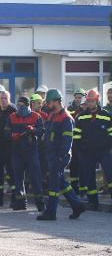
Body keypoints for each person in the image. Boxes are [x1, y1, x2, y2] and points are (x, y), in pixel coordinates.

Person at [37, 88, 86, 221]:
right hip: (51, 155)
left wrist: (60, 156)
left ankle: (51, 212)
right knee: (61, 182)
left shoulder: (66, 118)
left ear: (56, 101)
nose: (47, 105)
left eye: (49, 102)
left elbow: (67, 141)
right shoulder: (52, 115)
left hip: (60, 156)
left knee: (53, 184)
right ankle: (77, 205)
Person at [73, 89, 112, 211]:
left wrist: (108, 147)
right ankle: (92, 202)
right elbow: (77, 136)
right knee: (90, 177)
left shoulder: (106, 116)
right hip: (87, 153)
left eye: (92, 101)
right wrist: (81, 150)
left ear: (97, 100)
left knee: (110, 175)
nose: (90, 103)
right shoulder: (81, 117)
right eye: (88, 101)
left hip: (104, 151)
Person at [7, 97, 45, 212]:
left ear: (28, 105)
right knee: (18, 179)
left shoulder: (35, 116)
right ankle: (21, 203)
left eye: (22, 105)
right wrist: (12, 135)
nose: (20, 107)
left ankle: (40, 204)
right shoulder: (12, 117)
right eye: (18, 105)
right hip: (17, 152)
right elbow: (5, 132)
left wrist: (33, 130)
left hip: (31, 152)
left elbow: (42, 130)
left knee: (35, 179)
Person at [31, 93, 50, 193]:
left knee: (44, 166)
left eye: (41, 103)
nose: (40, 105)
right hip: (32, 146)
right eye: (38, 103)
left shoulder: (45, 115)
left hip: (43, 146)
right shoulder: (28, 115)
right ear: (32, 103)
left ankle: (44, 186)